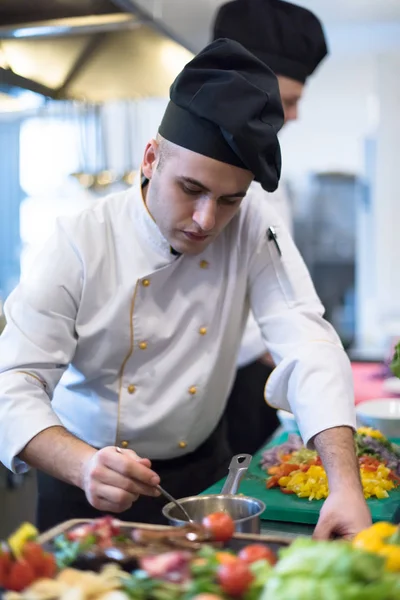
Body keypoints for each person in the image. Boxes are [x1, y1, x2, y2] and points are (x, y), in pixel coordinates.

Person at [0, 38, 370, 539]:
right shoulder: (80, 242)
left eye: (228, 200)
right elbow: (12, 383)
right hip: (85, 486)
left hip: (205, 477)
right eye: (191, 190)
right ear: (151, 158)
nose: (206, 220)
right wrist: (83, 465)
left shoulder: (252, 227)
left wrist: (344, 484)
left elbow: (308, 343)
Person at [212, 0, 330, 455]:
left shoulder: (267, 171)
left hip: (260, 374)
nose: (295, 115)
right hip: (224, 389)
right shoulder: (187, 169)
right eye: (292, 100)